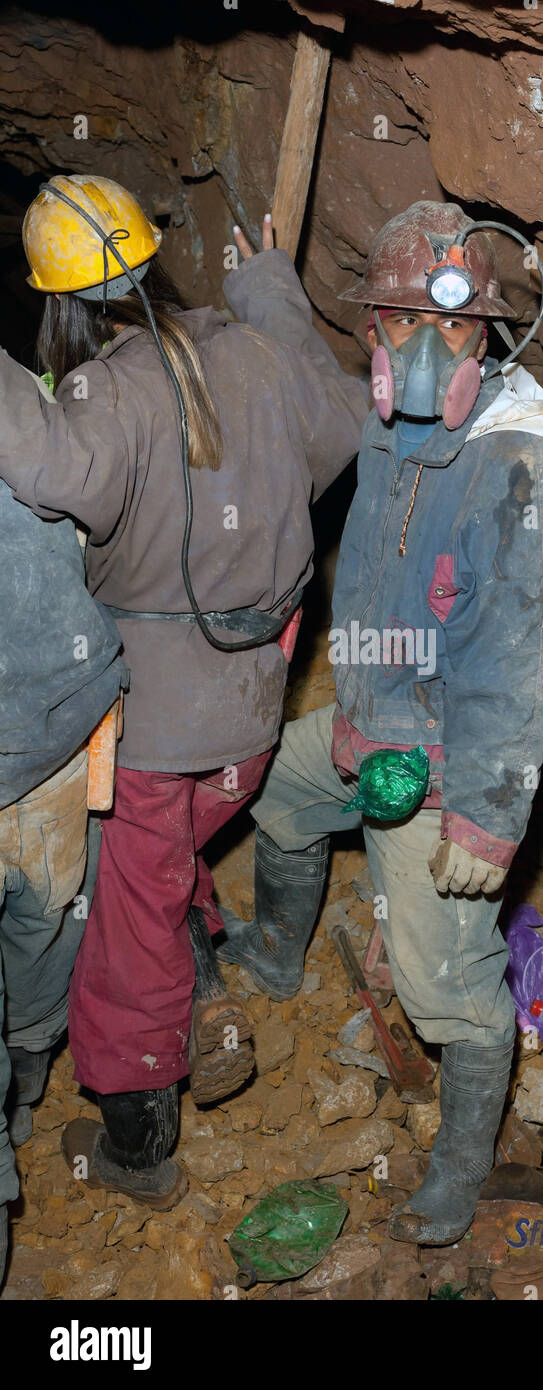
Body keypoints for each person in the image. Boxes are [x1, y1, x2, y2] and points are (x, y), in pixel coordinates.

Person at [0, 173, 368, 1209]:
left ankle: (141, 1143)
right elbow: (342, 416)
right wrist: (270, 296)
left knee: (123, 944)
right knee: (173, 872)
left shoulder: (101, 398)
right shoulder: (257, 355)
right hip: (251, 716)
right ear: (153, 259)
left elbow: (50, 463)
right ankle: (204, 975)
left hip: (158, 738)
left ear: (57, 303)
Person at [217, 201, 543, 1245]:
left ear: (489, 334)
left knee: (445, 992)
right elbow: (298, 381)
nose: (423, 351)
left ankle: (458, 1174)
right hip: (368, 720)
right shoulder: (386, 423)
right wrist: (263, 284)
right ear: (370, 328)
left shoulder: (519, 468)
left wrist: (485, 817)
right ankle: (280, 950)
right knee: (271, 793)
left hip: (445, 763)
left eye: (454, 329)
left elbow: (520, 661)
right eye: (400, 323)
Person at [0, 363, 126, 1279]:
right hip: (52, 737)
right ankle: (30, 1081)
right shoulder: (33, 417)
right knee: (43, 919)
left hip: (42, 737)